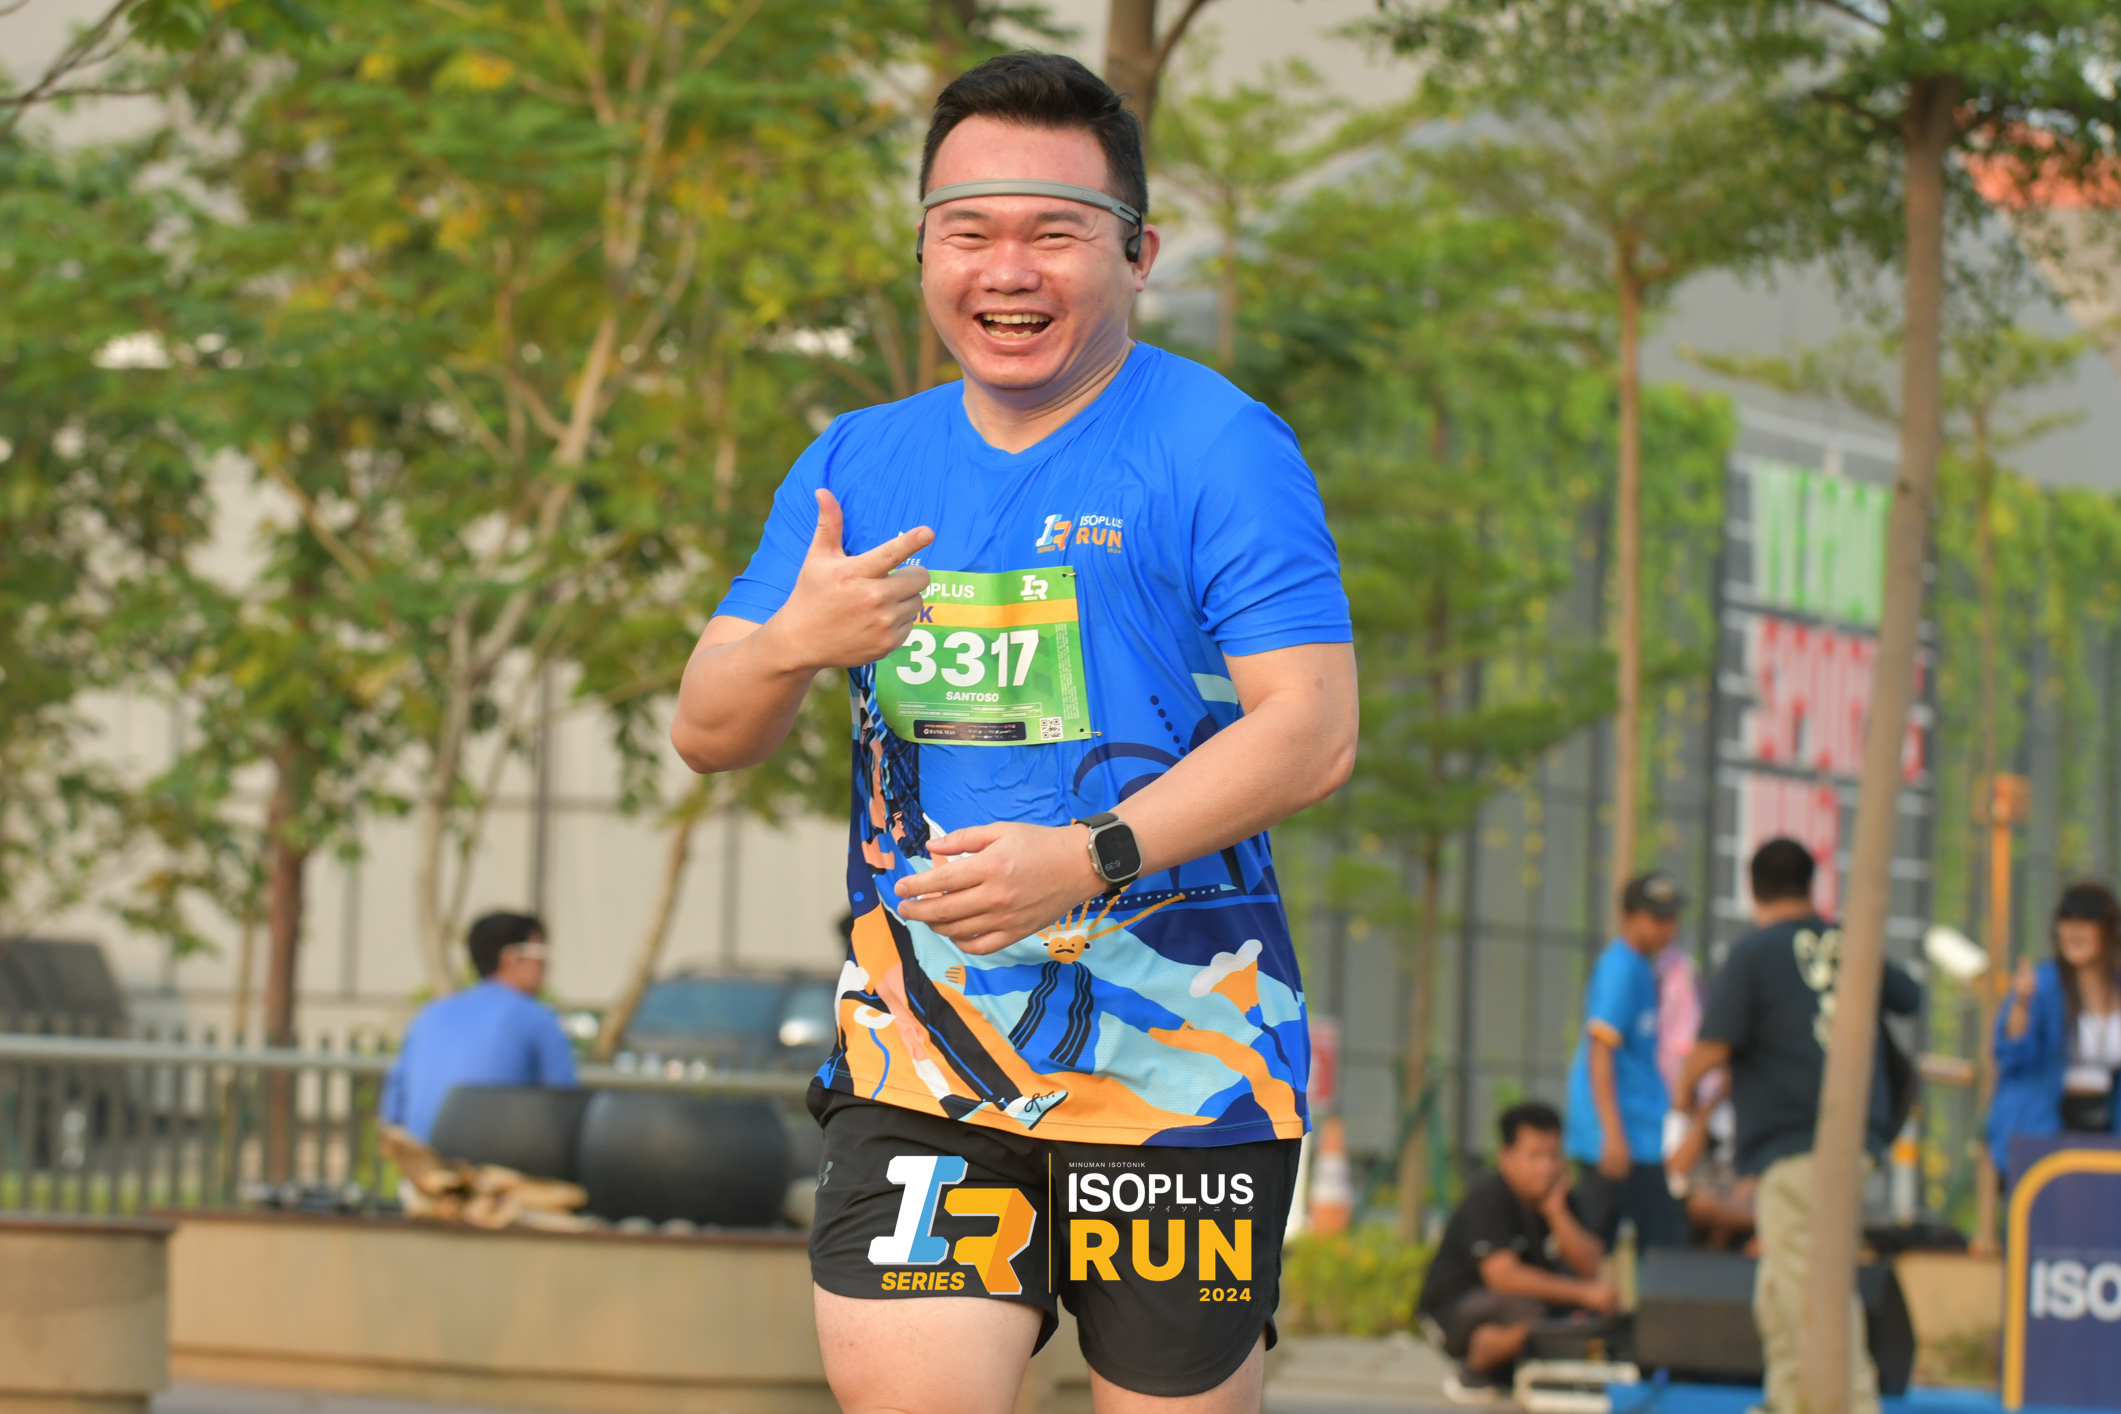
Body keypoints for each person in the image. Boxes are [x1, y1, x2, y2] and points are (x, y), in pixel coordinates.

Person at [667, 52, 1358, 1414]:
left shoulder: (1219, 446)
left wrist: (1087, 857)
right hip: (922, 1065)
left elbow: (1315, 729)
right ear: (924, 251)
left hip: (1184, 1068)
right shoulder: (855, 462)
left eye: (1054, 232)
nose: (1007, 271)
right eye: (969, 231)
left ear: (1138, 252)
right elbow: (705, 724)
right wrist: (796, 640)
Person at [1672, 839, 1921, 1414]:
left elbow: (1713, 1045)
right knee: (1782, 1282)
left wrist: (1685, 1091)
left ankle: (1849, 1402)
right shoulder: (1847, 943)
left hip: (1797, 1139)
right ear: (1812, 885)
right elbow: (1908, 996)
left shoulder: (1755, 953)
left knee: (1810, 1285)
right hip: (1857, 1134)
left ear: (1752, 888)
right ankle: (1789, 1400)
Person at [1417, 1102, 1617, 1405]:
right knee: (1532, 1311)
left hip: (1522, 1307)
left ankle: (1518, 1364)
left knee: (1583, 1317)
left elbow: (1590, 1267)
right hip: (1458, 1311)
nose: (1546, 1167)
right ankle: (1476, 1364)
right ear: (1507, 1158)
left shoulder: (1560, 1199)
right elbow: (1503, 1276)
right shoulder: (1489, 1197)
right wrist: (1582, 1294)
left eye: (1553, 1156)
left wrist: (1557, 1212)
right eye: (1535, 1156)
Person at [1565, 871, 1690, 1250]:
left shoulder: (1639, 966)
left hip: (1636, 1132)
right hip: (1620, 1136)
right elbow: (1600, 1050)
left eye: (1672, 917)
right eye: (1658, 918)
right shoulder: (1620, 969)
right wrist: (1612, 1133)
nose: (1669, 928)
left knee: (1617, 1238)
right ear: (1629, 917)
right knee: (1657, 1243)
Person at [380, 912, 578, 1143]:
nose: (546, 964)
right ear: (511, 958)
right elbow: (564, 1111)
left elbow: (392, 1111)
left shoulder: (430, 1014)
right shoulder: (537, 1018)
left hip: (422, 1160)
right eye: (540, 953)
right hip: (496, 1162)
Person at [1986, 881, 2121, 1179]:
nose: (2074, 932)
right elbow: (2011, 1055)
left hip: (2107, 1128)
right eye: (2067, 922)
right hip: (2043, 1127)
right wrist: (2021, 1002)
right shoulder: (2042, 985)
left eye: (2085, 922)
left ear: (2107, 929)